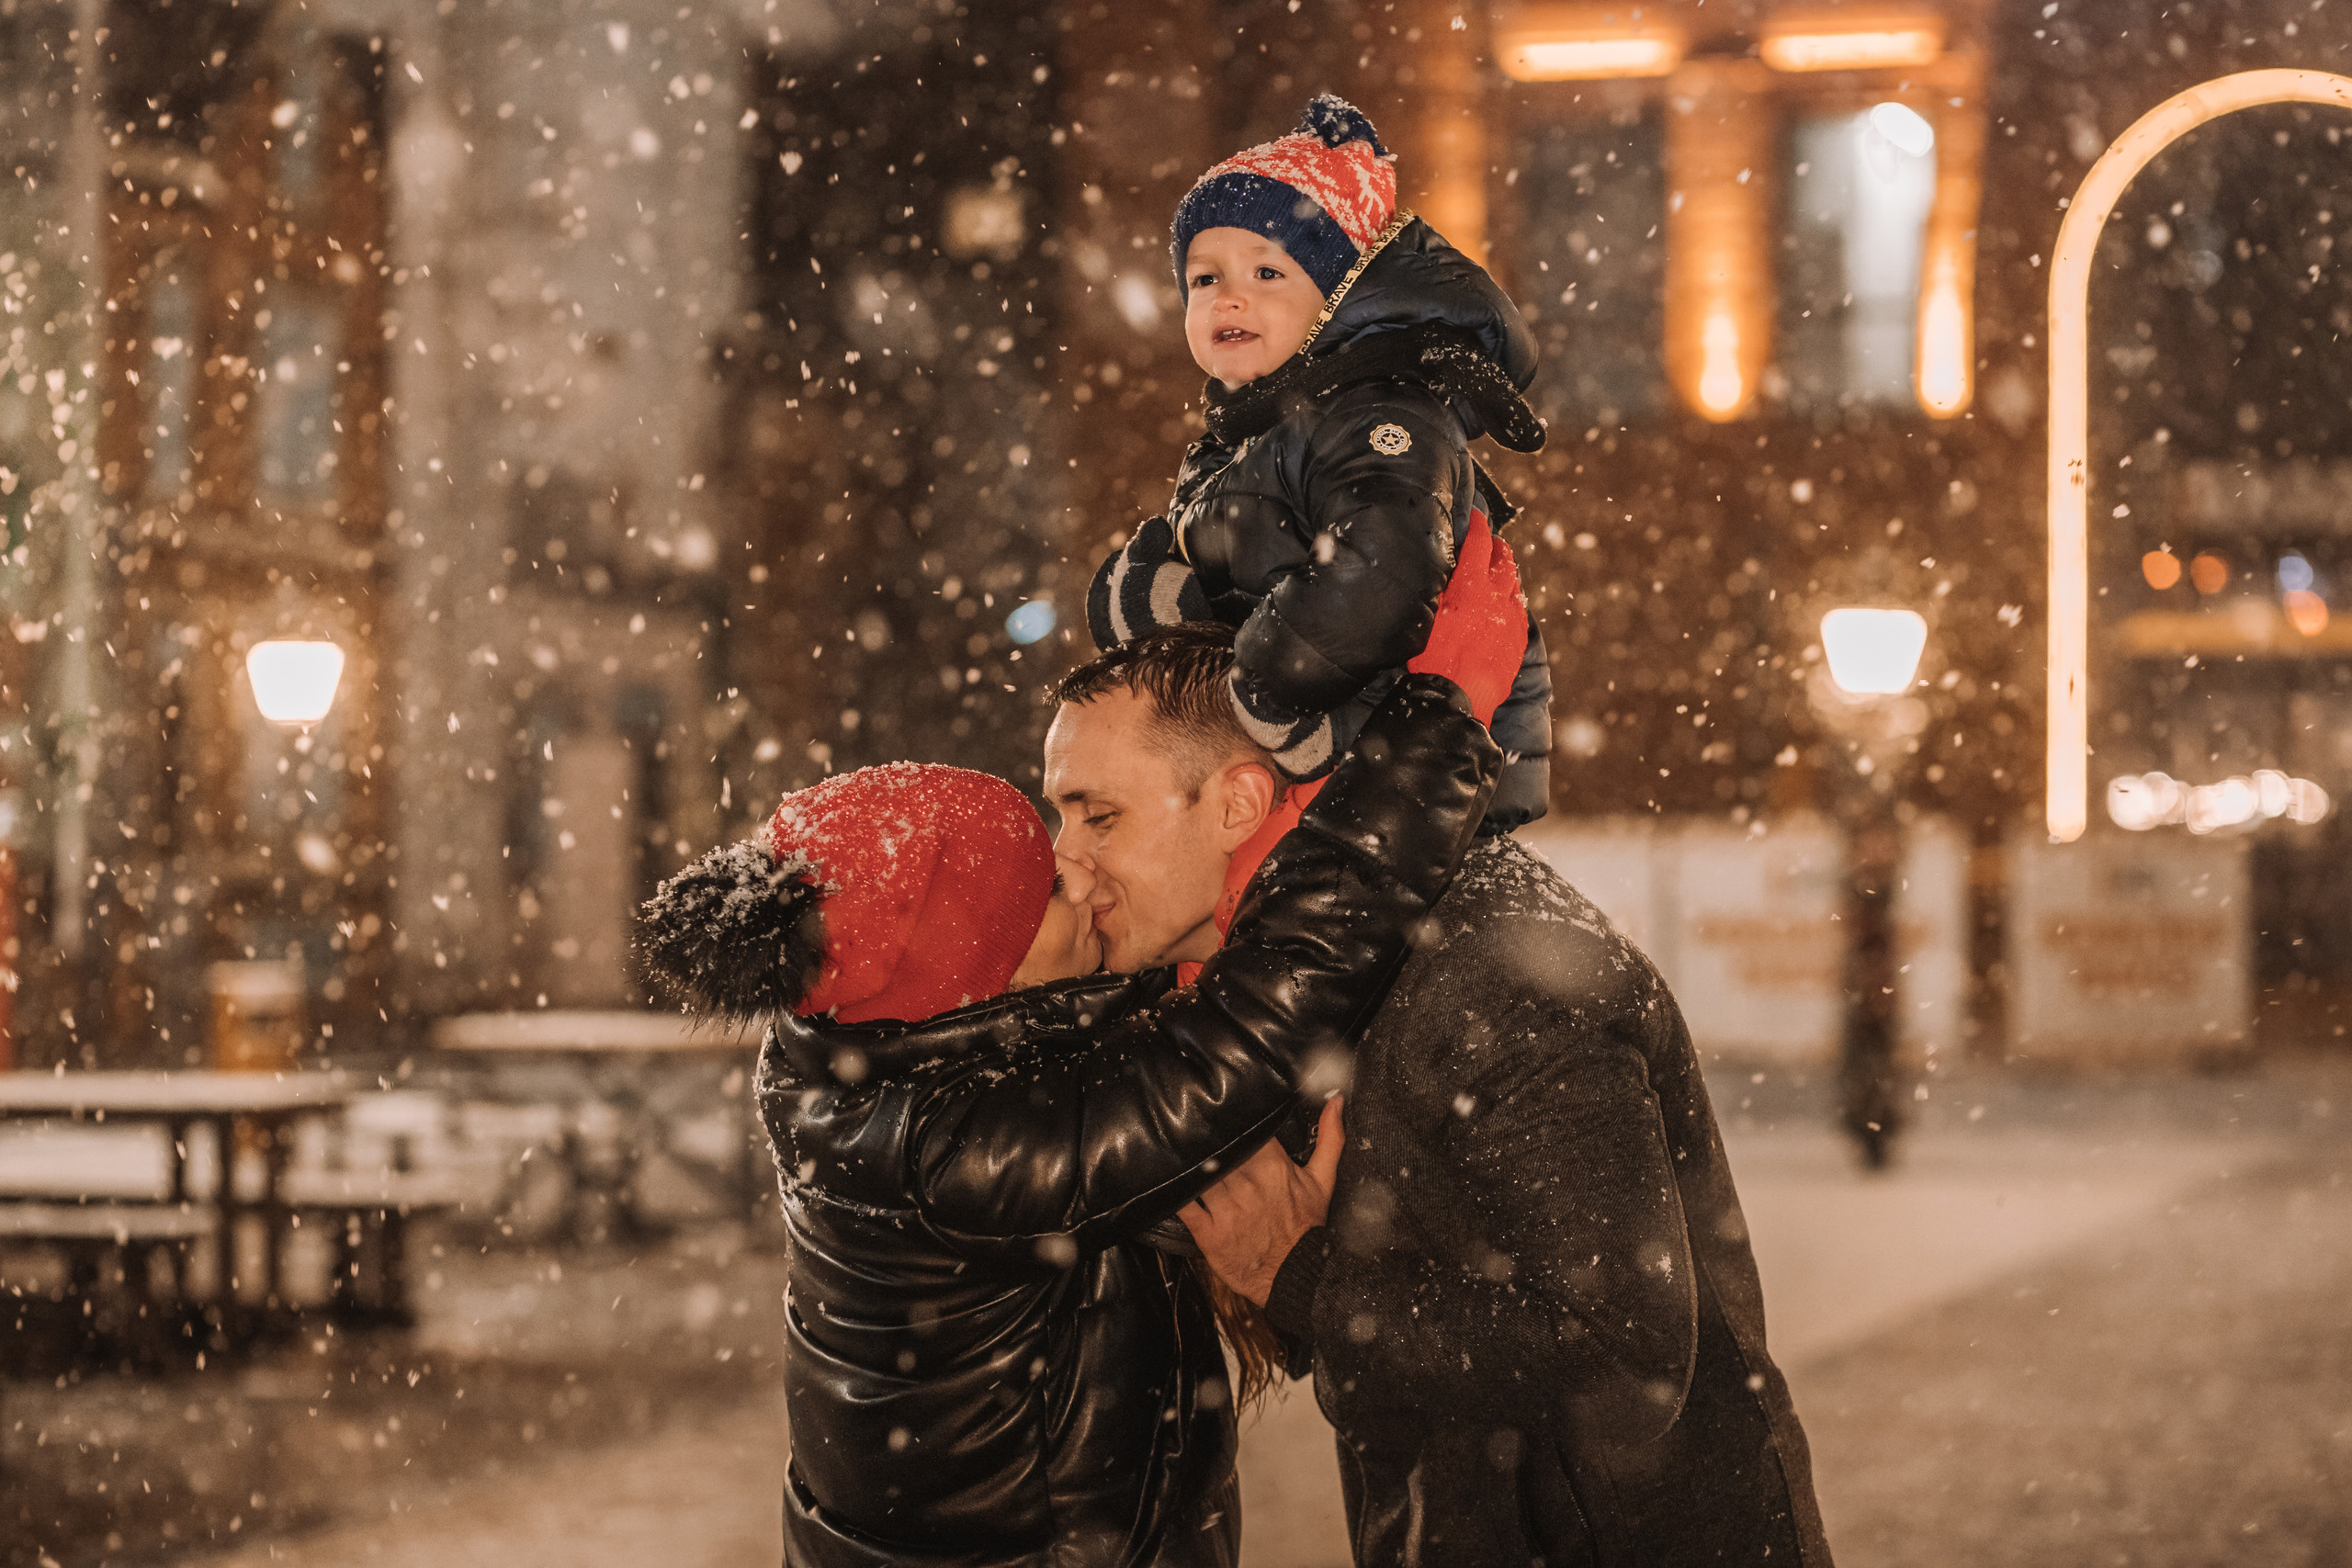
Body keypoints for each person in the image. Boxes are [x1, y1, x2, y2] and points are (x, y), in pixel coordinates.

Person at [636, 537, 1526, 1567]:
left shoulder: (879, 1050)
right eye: (1051, 891)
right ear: (984, 973)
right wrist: (1436, 727)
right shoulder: (951, 1153)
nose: (1079, 872)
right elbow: (1255, 1023)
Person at [1047, 643, 1837, 1568]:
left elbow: (1627, 1358)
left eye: (1099, 816)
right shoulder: (1317, 966)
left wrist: (1301, 1274)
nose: (1068, 863)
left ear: (1237, 803)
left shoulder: (1491, 965)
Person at [1087, 93, 1555, 835]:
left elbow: (1384, 568)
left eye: (1267, 274)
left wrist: (1264, 692)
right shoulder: (1245, 441)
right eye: (1205, 279)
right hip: (1321, 787)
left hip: (1400, 781)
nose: (1229, 297)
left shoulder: (1380, 413)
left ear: (1340, 296)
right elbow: (1223, 573)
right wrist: (1150, 602)